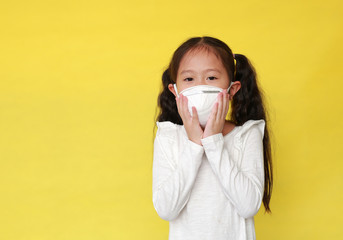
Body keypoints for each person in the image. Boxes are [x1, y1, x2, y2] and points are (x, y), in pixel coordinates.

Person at [152, 36, 273, 240]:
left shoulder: (246, 134)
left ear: (232, 89)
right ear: (175, 90)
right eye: (189, 79)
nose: (200, 86)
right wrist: (194, 145)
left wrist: (214, 141)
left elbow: (248, 206)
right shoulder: (169, 136)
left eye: (211, 78)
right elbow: (166, 210)